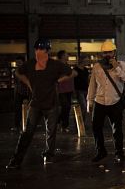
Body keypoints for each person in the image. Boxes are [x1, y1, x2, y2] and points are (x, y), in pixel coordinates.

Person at [7, 39, 73, 168]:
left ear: (48, 51)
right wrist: (28, 83)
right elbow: (17, 72)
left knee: (51, 132)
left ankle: (48, 155)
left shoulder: (55, 64)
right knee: (27, 132)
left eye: (41, 49)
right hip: (35, 104)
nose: (39, 51)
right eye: (37, 49)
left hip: (51, 104)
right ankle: (17, 159)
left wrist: (58, 81)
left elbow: (72, 73)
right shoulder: (30, 64)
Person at [88, 40, 125, 163]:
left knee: (117, 129)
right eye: (105, 52)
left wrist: (116, 67)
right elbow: (92, 85)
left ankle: (119, 153)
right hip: (99, 101)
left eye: (110, 52)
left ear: (114, 52)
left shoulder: (122, 65)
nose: (107, 54)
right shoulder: (97, 66)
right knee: (96, 128)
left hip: (115, 101)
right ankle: (101, 151)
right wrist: (89, 101)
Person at [55, 50, 77, 133]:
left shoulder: (67, 65)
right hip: (61, 90)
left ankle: (64, 126)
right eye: (67, 54)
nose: (68, 55)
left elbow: (73, 75)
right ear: (62, 56)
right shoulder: (58, 65)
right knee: (66, 106)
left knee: (67, 108)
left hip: (69, 89)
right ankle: (59, 122)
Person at [11, 55, 30, 131]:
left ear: (23, 62)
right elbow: (15, 83)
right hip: (17, 92)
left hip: (26, 92)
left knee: (28, 109)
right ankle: (17, 125)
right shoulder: (15, 71)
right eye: (17, 63)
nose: (18, 64)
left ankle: (27, 125)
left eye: (19, 62)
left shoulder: (27, 71)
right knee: (17, 109)